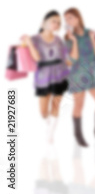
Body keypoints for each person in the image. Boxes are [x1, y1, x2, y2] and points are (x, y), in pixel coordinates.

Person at [64, 8, 95, 147]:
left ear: (78, 18)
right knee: (79, 105)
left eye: (70, 17)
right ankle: (78, 135)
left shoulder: (90, 33)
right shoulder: (68, 38)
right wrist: (73, 40)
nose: (68, 21)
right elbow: (72, 60)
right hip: (78, 74)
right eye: (66, 19)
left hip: (92, 73)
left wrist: (93, 38)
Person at [22, 10, 70, 144]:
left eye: (58, 22)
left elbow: (65, 58)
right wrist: (29, 43)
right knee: (43, 112)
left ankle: (50, 134)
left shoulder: (59, 39)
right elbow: (37, 58)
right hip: (43, 77)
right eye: (53, 21)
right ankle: (48, 124)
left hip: (60, 75)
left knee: (56, 105)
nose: (56, 24)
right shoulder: (34, 39)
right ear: (44, 22)